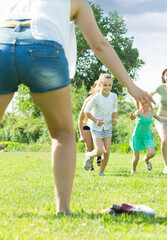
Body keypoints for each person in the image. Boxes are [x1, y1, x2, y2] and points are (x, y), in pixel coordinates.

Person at [0, 0, 154, 215]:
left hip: (2, 47)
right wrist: (130, 85)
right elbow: (99, 44)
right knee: (62, 134)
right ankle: (62, 209)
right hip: (43, 49)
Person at [129, 102, 167, 174]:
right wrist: (132, 117)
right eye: (144, 103)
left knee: (152, 153)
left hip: (147, 136)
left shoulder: (152, 112)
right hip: (137, 137)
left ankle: (146, 159)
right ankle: (133, 171)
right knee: (136, 158)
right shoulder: (139, 112)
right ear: (141, 104)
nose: (146, 104)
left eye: (147, 103)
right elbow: (134, 116)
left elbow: (160, 118)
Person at [84, 73, 117, 176]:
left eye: (109, 85)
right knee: (99, 151)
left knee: (107, 151)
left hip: (107, 126)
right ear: (100, 85)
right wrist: (95, 121)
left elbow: (114, 109)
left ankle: (101, 172)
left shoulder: (114, 96)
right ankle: (89, 155)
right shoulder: (96, 98)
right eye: (105, 85)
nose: (107, 87)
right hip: (96, 127)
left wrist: (113, 119)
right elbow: (87, 111)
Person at [78, 80, 102, 171]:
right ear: (95, 86)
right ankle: (90, 169)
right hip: (86, 125)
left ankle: (99, 156)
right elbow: (80, 118)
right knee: (90, 148)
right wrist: (81, 135)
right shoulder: (88, 100)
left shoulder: (104, 99)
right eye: (99, 86)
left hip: (97, 125)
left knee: (102, 147)